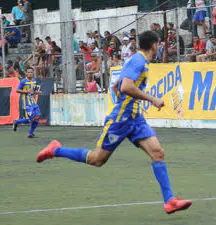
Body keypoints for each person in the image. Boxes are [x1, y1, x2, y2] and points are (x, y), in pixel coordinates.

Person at [36, 31, 192, 215]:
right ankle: (56, 150)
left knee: (157, 153)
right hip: (121, 120)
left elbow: (118, 85)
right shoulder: (138, 61)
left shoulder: (138, 61)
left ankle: (169, 201)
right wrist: (152, 99)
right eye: (159, 44)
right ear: (154, 45)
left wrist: (127, 99)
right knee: (97, 159)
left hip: (135, 118)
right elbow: (125, 86)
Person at [13, 67, 41, 138]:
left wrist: (37, 92)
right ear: (26, 73)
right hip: (27, 103)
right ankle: (16, 122)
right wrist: (26, 91)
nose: (30, 74)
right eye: (28, 72)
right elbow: (17, 90)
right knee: (31, 119)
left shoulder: (34, 81)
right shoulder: (23, 81)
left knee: (37, 118)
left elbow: (34, 90)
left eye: (31, 72)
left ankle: (30, 134)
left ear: (33, 73)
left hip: (33, 102)